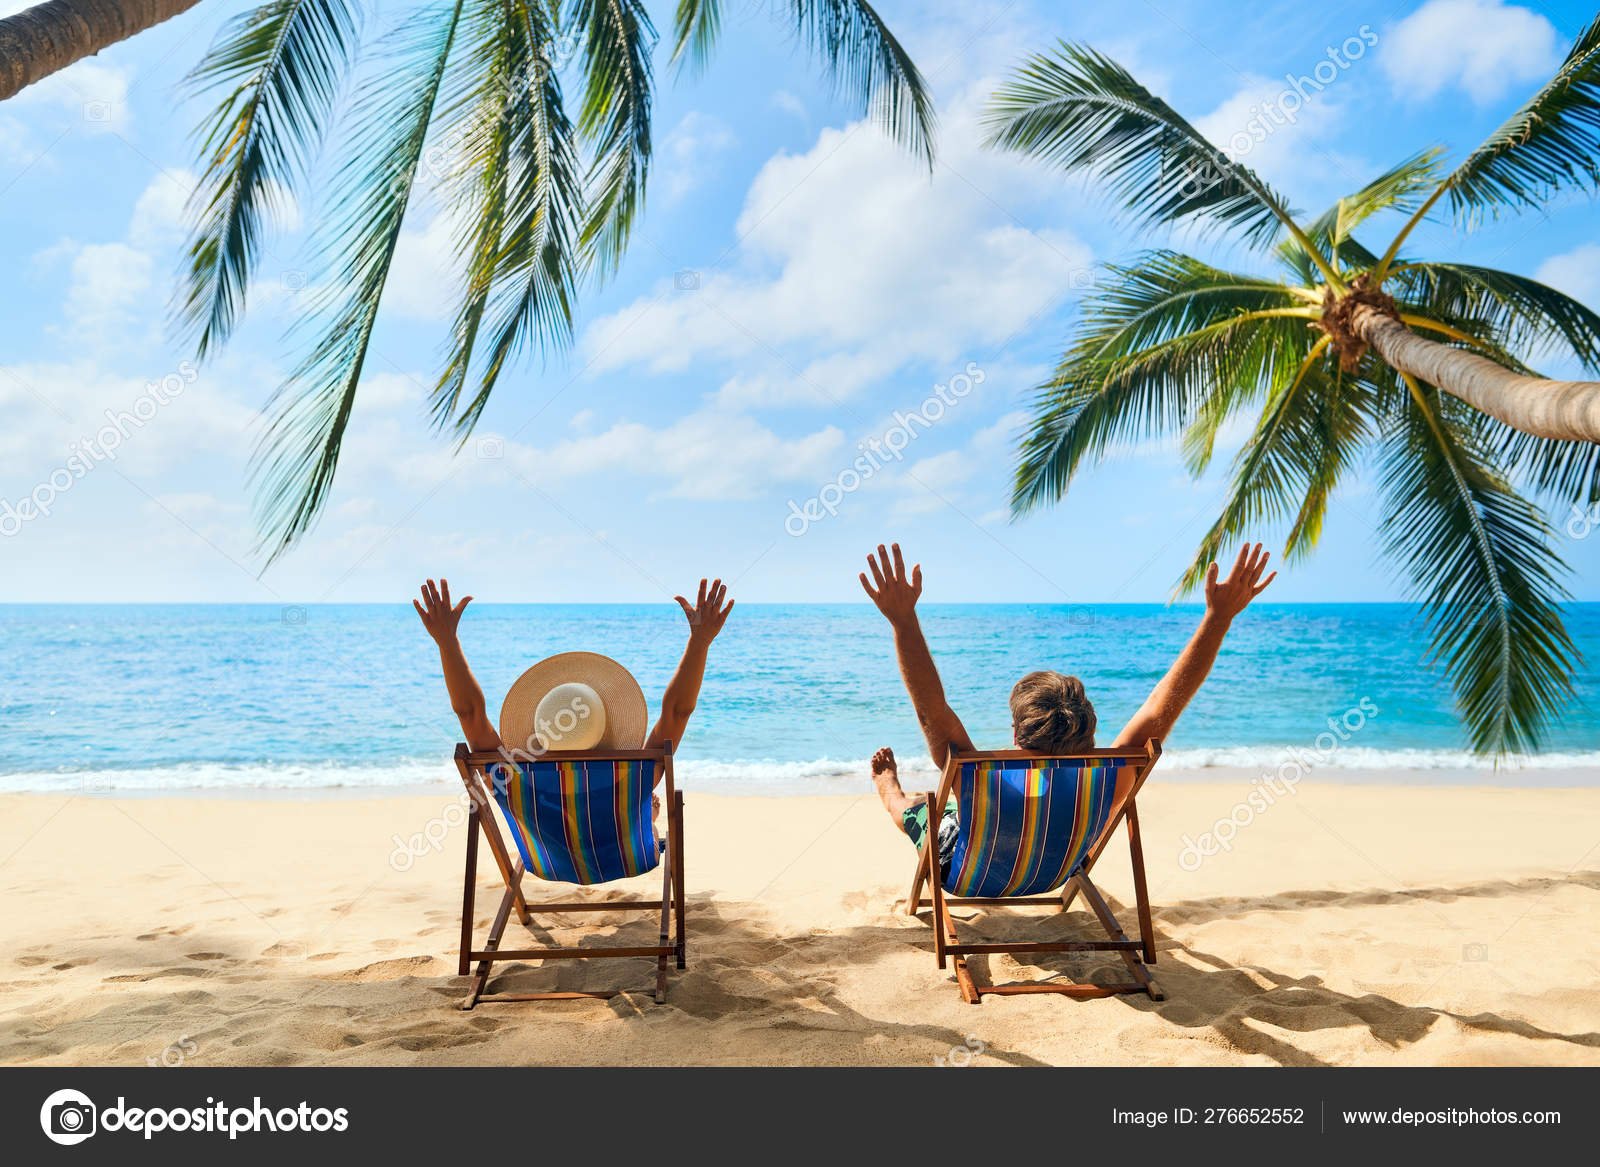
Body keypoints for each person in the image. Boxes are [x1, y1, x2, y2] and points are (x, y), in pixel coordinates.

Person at [858, 542, 1276, 873]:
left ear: (1016, 734)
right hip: (1059, 868)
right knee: (952, 807)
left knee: (916, 809)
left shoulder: (977, 778)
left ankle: (889, 787)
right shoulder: (1111, 777)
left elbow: (931, 711)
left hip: (970, 871)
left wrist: (902, 620)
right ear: (1089, 731)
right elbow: (1161, 706)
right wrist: (1218, 617)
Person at [413, 576, 735, 780]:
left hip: (548, 864)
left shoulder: (511, 779)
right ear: (606, 722)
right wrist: (700, 641)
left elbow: (469, 713)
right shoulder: (633, 778)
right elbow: (678, 711)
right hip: (625, 859)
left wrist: (446, 641)